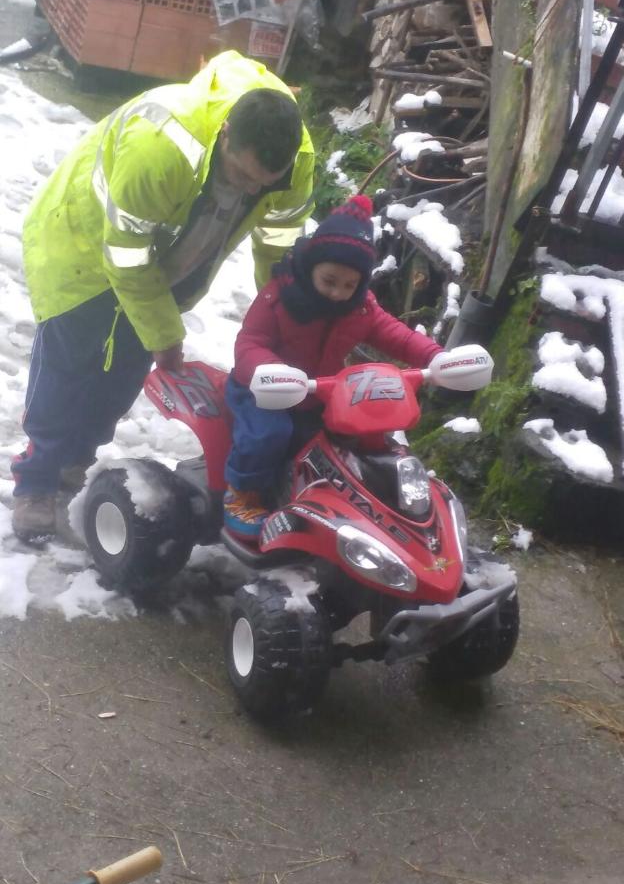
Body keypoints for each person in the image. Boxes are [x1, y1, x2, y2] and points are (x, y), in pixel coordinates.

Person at [12, 49, 314, 542]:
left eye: (264, 185)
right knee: (70, 365)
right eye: (241, 177)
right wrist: (165, 333)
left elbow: (278, 248)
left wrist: (287, 320)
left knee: (121, 376)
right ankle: (37, 479)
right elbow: (127, 258)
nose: (249, 191)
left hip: (171, 255)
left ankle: (74, 461)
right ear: (225, 137)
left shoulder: (297, 161)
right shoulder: (162, 145)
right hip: (84, 243)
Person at [222, 194, 443, 539]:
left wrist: (432, 356)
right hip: (264, 390)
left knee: (351, 436)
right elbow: (249, 342)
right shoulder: (278, 297)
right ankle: (241, 494)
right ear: (311, 267)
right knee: (269, 434)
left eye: (349, 285)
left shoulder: (360, 308)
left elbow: (393, 334)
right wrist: (267, 369)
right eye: (329, 281)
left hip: (319, 392)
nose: (338, 293)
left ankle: (349, 497)